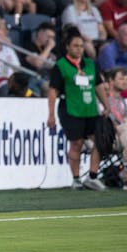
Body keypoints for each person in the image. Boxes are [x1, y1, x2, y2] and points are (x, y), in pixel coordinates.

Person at [47, 26, 110, 190]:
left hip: (90, 110)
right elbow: (53, 91)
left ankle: (92, 176)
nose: (79, 49)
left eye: (81, 46)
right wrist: (51, 114)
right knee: (76, 143)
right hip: (70, 109)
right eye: (75, 46)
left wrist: (106, 105)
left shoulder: (90, 64)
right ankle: (76, 179)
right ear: (68, 47)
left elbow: (99, 86)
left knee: (100, 142)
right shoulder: (60, 66)